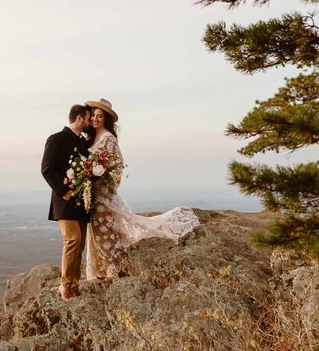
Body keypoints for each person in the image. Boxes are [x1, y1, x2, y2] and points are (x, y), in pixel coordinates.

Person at [84, 98, 200, 280]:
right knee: (96, 233)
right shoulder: (92, 138)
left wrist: (103, 180)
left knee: (105, 232)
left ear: (105, 119)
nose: (96, 119)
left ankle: (113, 271)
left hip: (103, 195)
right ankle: (101, 270)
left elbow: (118, 164)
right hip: (93, 194)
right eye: (93, 116)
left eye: (99, 116)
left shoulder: (108, 138)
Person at [41, 104, 91, 301]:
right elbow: (47, 169)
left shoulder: (84, 143)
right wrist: (65, 192)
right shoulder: (56, 139)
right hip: (64, 201)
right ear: (79, 119)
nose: (89, 123)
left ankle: (75, 283)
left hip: (82, 202)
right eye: (88, 119)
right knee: (72, 240)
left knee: (80, 245)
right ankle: (64, 286)